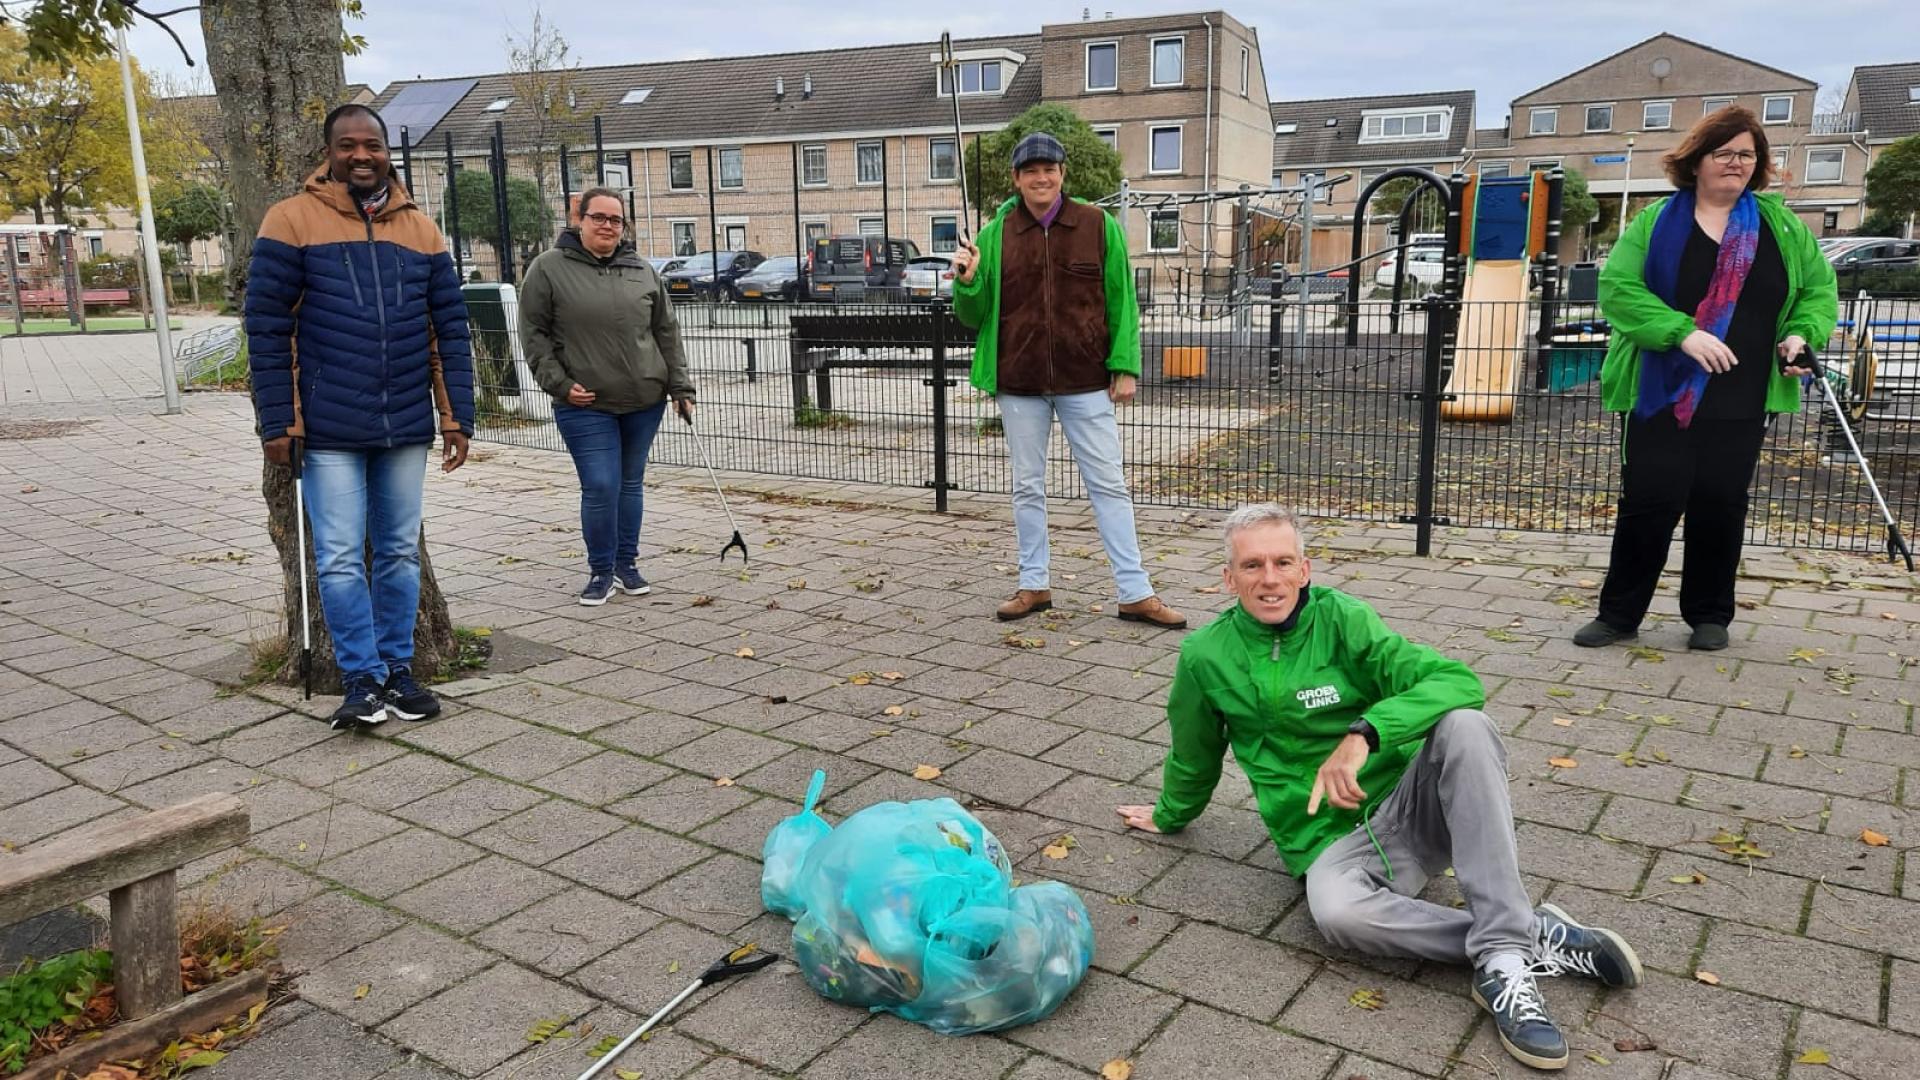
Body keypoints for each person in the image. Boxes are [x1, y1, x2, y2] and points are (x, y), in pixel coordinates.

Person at [1116, 505, 1641, 1072]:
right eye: (1252, 565)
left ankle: (1502, 965)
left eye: (1282, 562)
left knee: (1466, 725)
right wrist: (1170, 813)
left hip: (1409, 806)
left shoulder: (1344, 620)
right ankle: (1525, 937)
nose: (1269, 579)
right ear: (1228, 578)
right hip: (1325, 842)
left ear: (1304, 569)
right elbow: (1194, 752)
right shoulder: (1204, 655)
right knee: (1337, 916)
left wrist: (1365, 733)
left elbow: (1458, 681)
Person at [1575, 106, 1837, 652]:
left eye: (1748, 154)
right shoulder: (1654, 222)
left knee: (1721, 501)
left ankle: (1710, 614)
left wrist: (1800, 336)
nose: (1737, 163)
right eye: (1725, 153)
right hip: (1661, 387)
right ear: (1696, 161)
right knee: (1650, 499)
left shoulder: (1781, 227)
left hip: (1743, 394)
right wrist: (1681, 333)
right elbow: (1620, 289)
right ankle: (1620, 614)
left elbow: (1816, 291)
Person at [247, 103, 474, 731]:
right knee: (341, 556)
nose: (361, 155)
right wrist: (277, 423)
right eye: (347, 145)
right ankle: (361, 679)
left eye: (371, 144)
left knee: (398, 551)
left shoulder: (422, 231)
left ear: (386, 150)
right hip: (327, 430)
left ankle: (400, 671)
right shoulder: (290, 220)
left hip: (404, 424)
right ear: (330, 152)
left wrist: (456, 416)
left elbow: (448, 329)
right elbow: (268, 330)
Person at [950, 131, 1185, 629]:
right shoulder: (994, 235)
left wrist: (1124, 365)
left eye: (1049, 168)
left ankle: (1134, 591)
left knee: (1109, 485)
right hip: (1020, 380)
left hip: (1086, 380)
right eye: (1031, 170)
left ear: (1062, 174)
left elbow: (1122, 299)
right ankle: (1033, 584)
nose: (1041, 177)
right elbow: (973, 316)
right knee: (1027, 487)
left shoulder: (1099, 225)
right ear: (1016, 179)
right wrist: (968, 281)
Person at [518, 187, 695, 605]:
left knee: (629, 484)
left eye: (616, 220)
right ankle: (600, 571)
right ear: (579, 219)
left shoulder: (641, 270)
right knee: (600, 485)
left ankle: (626, 565)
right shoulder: (547, 268)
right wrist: (559, 384)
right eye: (599, 217)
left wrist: (680, 387)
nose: (607, 226)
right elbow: (534, 334)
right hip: (585, 403)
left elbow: (665, 331)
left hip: (643, 401)